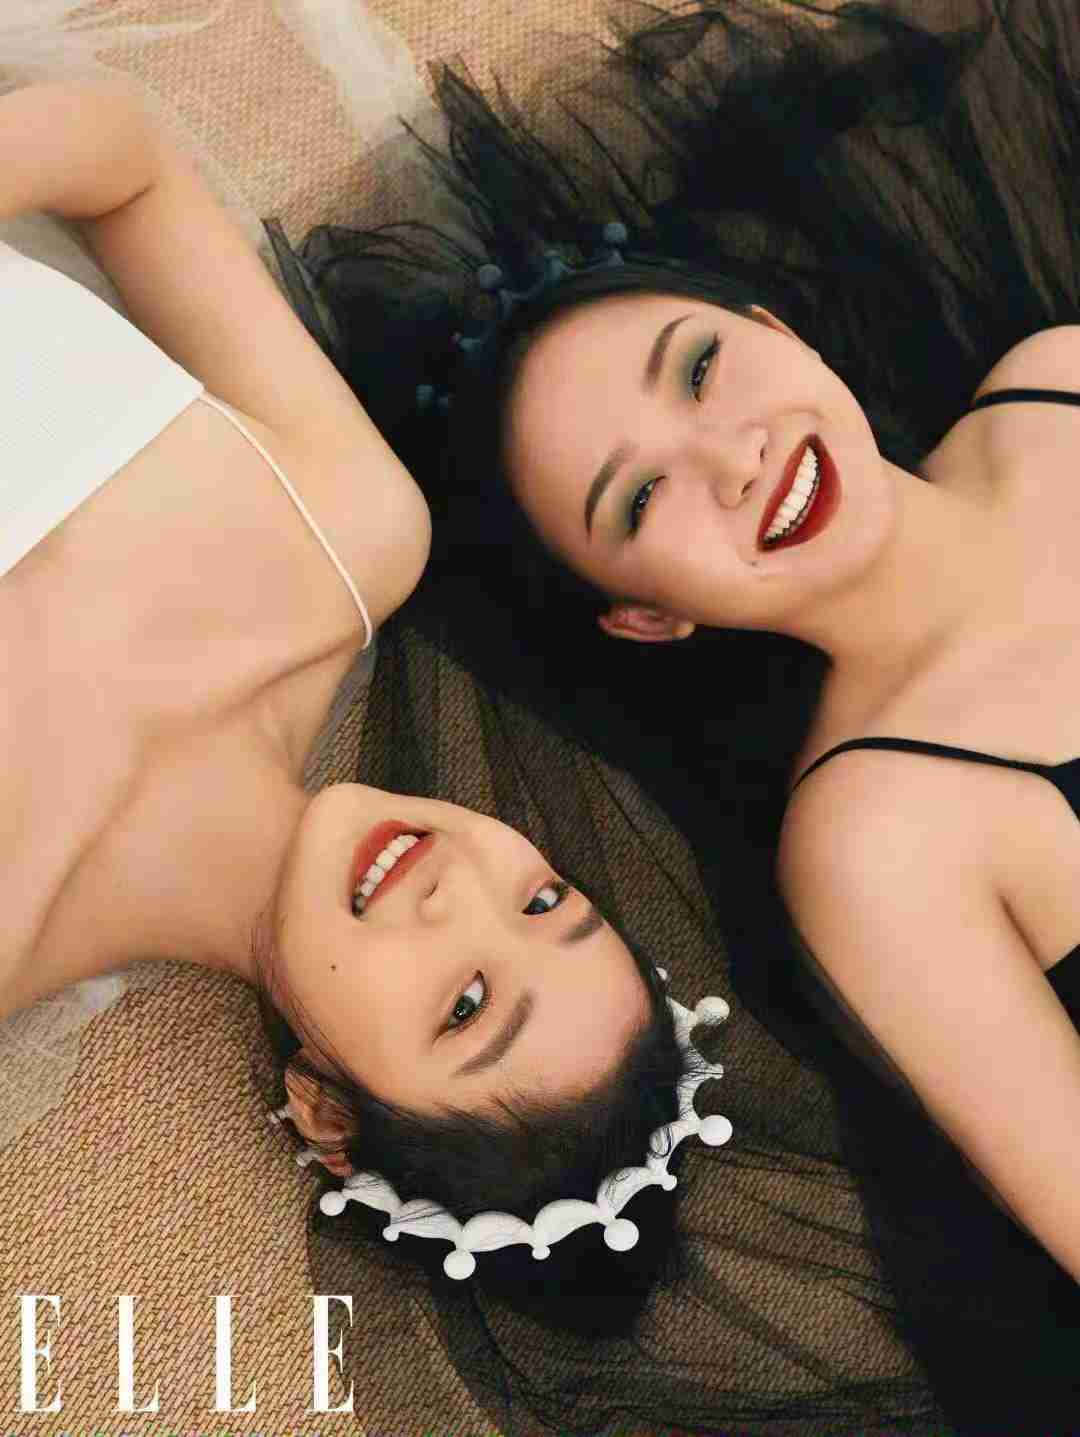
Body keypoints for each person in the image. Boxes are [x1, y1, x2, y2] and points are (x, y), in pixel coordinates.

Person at [0, 40, 937, 1437]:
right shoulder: (356, 538)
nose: (461, 891)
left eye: (462, 1006)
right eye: (547, 904)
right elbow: (125, 161)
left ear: (328, 1111)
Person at [273, 0, 1080, 1428]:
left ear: (774, 328)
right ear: (648, 613)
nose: (732, 458)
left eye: (703, 368)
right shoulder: (881, 840)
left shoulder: (1055, 387)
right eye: (641, 499)